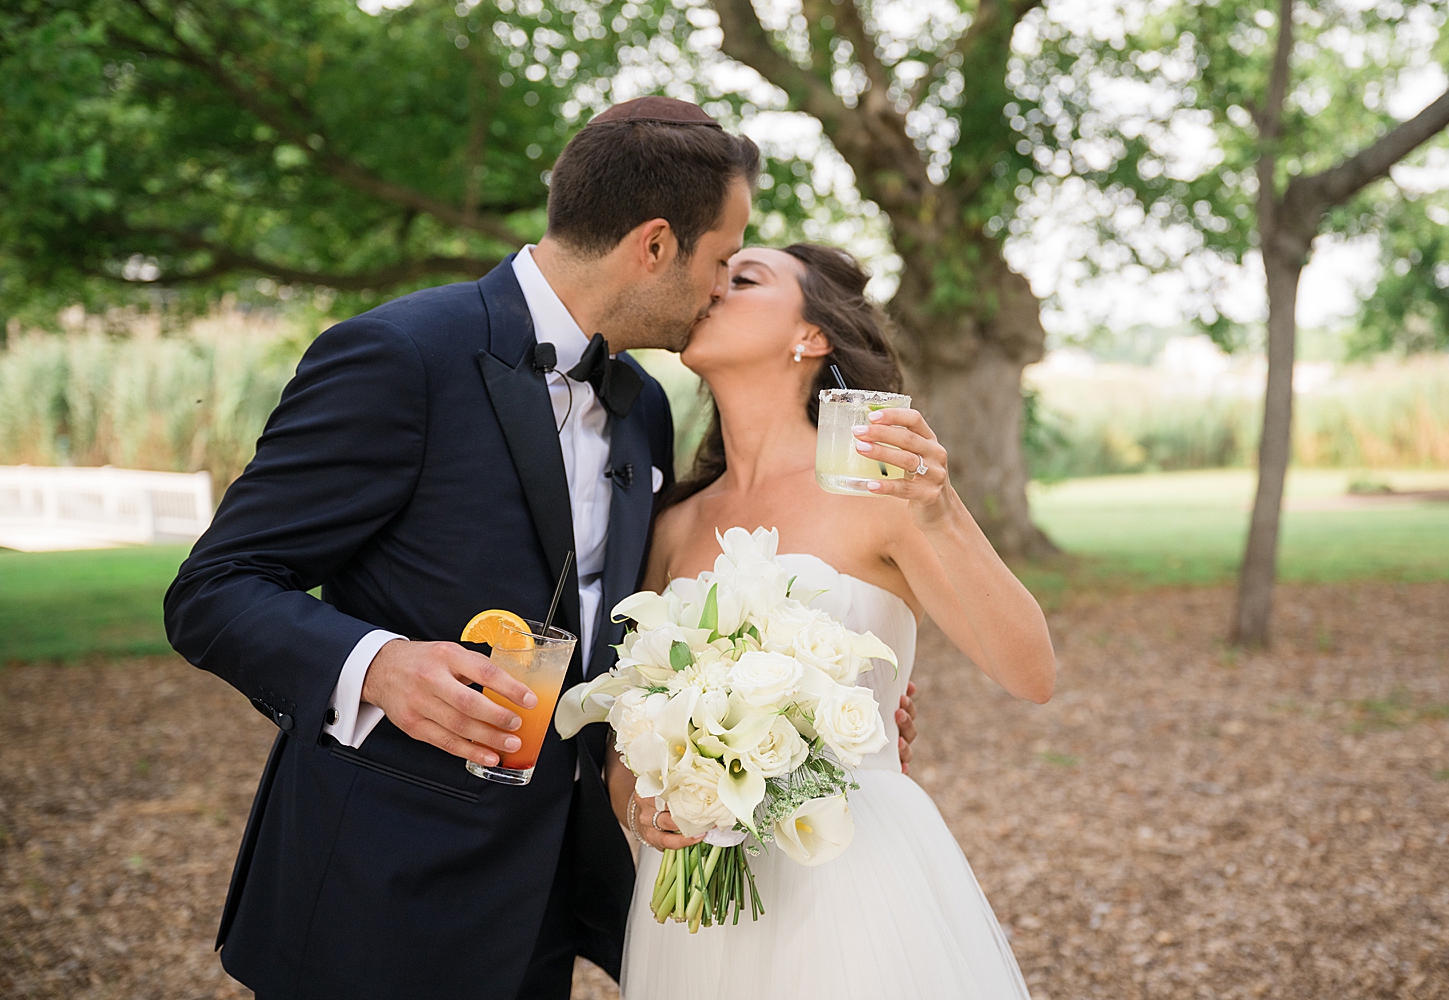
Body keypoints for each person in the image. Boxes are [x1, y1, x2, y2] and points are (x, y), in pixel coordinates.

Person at [165, 98, 922, 1000]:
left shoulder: (642, 404)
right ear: (652, 246)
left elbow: (631, 619)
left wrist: (801, 697)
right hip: (382, 894)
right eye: (721, 260)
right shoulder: (399, 355)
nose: (721, 287)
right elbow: (213, 587)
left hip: (547, 899)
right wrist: (377, 666)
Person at [611, 242, 1056, 999]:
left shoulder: (883, 494)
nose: (714, 286)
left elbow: (1032, 673)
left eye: (743, 278)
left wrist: (943, 513)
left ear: (810, 337)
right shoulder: (671, 526)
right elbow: (630, 734)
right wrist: (643, 807)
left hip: (855, 880)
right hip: (698, 913)